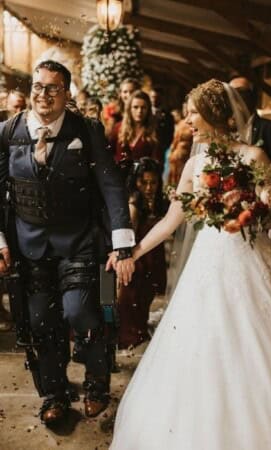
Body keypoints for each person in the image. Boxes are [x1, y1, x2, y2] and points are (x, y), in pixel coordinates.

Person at [110, 79, 271, 449]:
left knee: (253, 342)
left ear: (214, 115)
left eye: (193, 114)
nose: (188, 121)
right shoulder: (194, 163)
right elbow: (172, 220)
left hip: (250, 258)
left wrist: (250, 210)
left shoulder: (255, 157)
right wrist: (135, 251)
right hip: (210, 258)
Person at [0, 60, 135, 425]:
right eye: (37, 87)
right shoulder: (8, 131)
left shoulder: (86, 130)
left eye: (52, 88)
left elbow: (110, 185)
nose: (43, 95)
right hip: (29, 246)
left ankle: (95, 381)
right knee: (42, 322)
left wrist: (122, 245)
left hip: (79, 241)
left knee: (81, 312)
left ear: (67, 93)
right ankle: (54, 395)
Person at [116, 157, 168, 349]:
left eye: (153, 182)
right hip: (139, 258)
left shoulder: (157, 201)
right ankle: (127, 335)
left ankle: (138, 328)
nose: (148, 187)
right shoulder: (134, 204)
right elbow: (129, 236)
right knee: (131, 298)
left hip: (153, 257)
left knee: (146, 295)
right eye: (143, 182)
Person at [229, 76, 271, 180]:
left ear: (252, 97)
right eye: (232, 95)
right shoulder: (225, 129)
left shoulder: (269, 129)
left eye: (242, 93)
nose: (237, 100)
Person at [109, 90, 161, 170]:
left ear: (148, 110)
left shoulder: (154, 131)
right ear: (129, 108)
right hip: (119, 177)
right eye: (135, 107)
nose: (139, 111)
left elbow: (157, 162)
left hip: (142, 179)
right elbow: (108, 154)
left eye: (143, 107)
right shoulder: (118, 128)